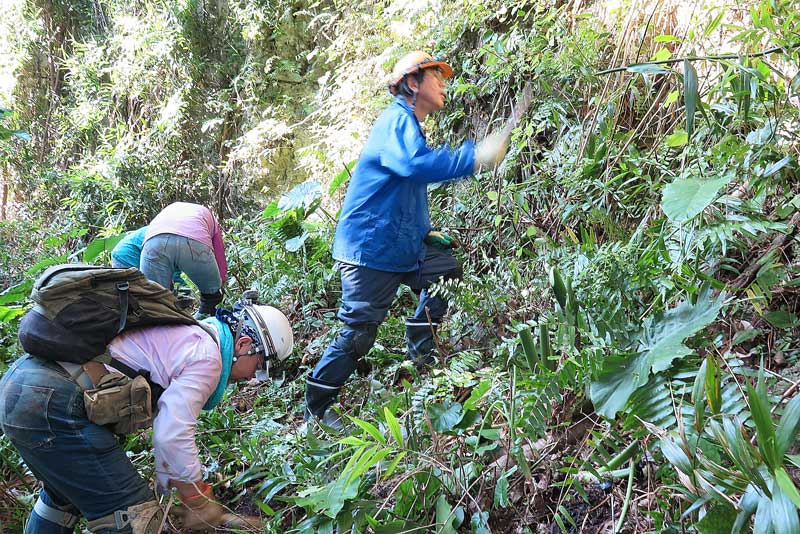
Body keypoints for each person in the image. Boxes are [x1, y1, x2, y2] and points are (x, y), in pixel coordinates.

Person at [304, 51, 509, 427]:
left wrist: (424, 231)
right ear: (412, 83)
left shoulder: (409, 125)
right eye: (436, 76)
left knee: (445, 272)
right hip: (370, 251)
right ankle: (316, 410)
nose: (444, 83)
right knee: (359, 334)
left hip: (399, 245)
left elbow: (402, 189)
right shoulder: (395, 120)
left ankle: (420, 348)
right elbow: (413, 166)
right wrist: (474, 157)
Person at [0, 302, 293, 533]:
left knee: (62, 499)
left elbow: (166, 430)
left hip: (23, 384)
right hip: (54, 400)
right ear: (242, 344)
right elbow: (172, 434)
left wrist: (175, 487)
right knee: (134, 518)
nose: (255, 375)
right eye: (261, 364)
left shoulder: (189, 334)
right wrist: (197, 499)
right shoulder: (208, 356)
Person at [139, 202, 228, 318]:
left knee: (154, 304)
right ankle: (200, 327)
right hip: (194, 241)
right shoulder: (206, 214)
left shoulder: (170, 209)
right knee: (212, 299)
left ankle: (163, 332)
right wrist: (219, 284)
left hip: (153, 243)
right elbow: (220, 255)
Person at [111, 226, 185, 289]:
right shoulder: (173, 237)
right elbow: (174, 272)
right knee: (145, 290)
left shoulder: (173, 232)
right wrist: (185, 291)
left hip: (127, 251)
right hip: (127, 254)